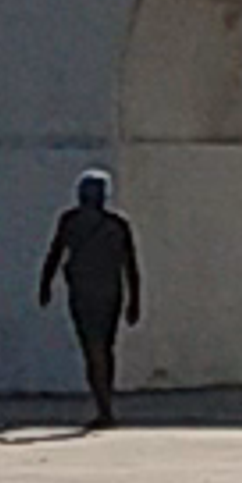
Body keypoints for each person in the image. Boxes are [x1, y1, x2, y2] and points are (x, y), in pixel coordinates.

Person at [36, 170, 142, 422]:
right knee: (105, 348)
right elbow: (131, 267)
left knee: (92, 348)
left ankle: (103, 405)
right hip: (111, 293)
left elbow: (54, 254)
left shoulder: (70, 221)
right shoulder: (118, 225)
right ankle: (105, 402)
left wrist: (45, 286)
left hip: (83, 293)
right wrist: (134, 301)